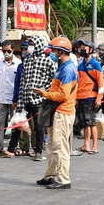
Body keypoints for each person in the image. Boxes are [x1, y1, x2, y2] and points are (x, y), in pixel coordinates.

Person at [34, 37, 78, 189]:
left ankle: (63, 179)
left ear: (61, 51)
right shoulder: (63, 66)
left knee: (59, 147)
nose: (51, 53)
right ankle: (50, 176)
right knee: (52, 146)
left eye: (53, 50)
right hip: (58, 111)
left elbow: (63, 95)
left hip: (63, 112)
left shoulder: (67, 69)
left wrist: (44, 94)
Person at [2, 36, 55, 161]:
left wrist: (43, 92)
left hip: (38, 99)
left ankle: (38, 151)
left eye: (32, 45)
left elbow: (52, 80)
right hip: (25, 98)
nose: (30, 47)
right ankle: (11, 149)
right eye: (29, 44)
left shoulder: (47, 62)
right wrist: (19, 101)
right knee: (18, 124)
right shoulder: (26, 61)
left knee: (39, 127)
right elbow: (22, 82)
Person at [0, 40, 21, 155]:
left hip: (14, 99)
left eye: (8, 51)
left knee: (15, 123)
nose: (6, 53)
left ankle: (15, 146)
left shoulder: (18, 63)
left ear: (13, 50)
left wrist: (18, 98)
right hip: (1, 97)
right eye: (4, 51)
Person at [75, 39, 103, 154]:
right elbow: (78, 82)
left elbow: (101, 83)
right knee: (85, 123)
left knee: (91, 122)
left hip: (91, 97)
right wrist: (76, 98)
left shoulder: (95, 64)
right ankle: (86, 144)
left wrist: (99, 98)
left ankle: (95, 146)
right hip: (81, 97)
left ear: (90, 50)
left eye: (84, 48)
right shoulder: (81, 64)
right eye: (81, 47)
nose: (81, 49)